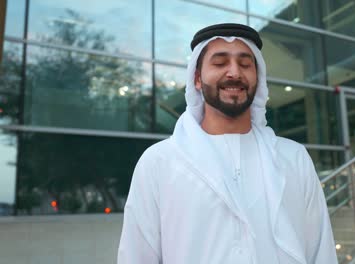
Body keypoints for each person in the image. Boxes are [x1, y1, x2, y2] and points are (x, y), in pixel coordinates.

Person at [117, 23, 338, 264]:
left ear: (258, 77)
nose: (234, 72)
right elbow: (137, 256)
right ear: (197, 79)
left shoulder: (294, 157)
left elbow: (321, 251)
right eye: (220, 63)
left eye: (245, 64)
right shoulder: (160, 161)